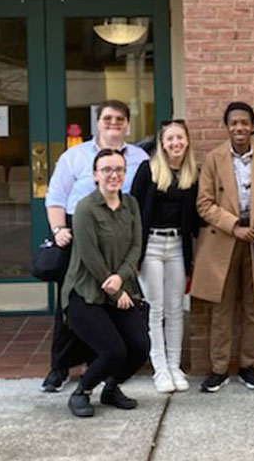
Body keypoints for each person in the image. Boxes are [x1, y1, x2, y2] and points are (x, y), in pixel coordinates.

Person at [41, 100, 149, 393]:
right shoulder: (74, 156)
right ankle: (59, 368)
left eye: (120, 119)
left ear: (127, 124)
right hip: (79, 233)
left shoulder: (140, 157)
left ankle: (99, 362)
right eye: (107, 119)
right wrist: (59, 228)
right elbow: (55, 196)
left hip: (119, 232)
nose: (114, 124)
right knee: (75, 307)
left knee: (108, 306)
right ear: (97, 123)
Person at [190, 102, 254, 393]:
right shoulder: (213, 159)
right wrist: (234, 225)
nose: (239, 128)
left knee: (253, 308)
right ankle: (219, 369)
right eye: (234, 123)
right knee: (221, 308)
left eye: (244, 123)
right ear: (227, 126)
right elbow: (204, 204)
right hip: (224, 238)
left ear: (252, 126)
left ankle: (249, 366)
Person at [63, 148, 149, 418]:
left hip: (120, 290)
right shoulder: (85, 209)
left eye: (119, 169)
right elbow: (90, 257)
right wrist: (115, 289)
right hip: (86, 293)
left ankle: (111, 388)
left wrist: (121, 279)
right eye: (107, 170)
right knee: (113, 351)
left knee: (139, 348)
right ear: (95, 175)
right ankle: (82, 392)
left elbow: (136, 245)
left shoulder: (131, 204)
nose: (114, 175)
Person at [131, 120, 200, 394]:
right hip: (152, 247)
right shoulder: (148, 170)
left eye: (180, 138)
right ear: (162, 143)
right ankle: (159, 368)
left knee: (175, 309)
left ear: (187, 141)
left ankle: (175, 366)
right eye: (170, 138)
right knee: (155, 309)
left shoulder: (192, 174)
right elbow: (133, 211)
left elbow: (196, 219)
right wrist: (133, 254)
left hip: (177, 246)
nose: (175, 143)